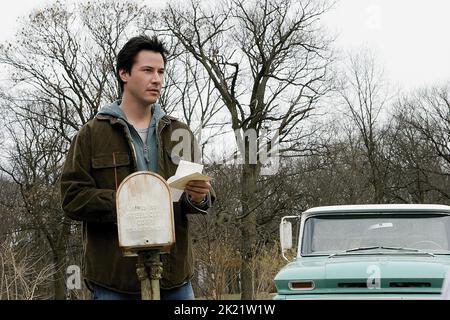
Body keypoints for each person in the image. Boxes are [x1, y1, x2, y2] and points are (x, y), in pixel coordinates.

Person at [60, 35, 214, 300]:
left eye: (161, 71)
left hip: (174, 278)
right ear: (124, 74)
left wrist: (197, 196)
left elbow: (193, 200)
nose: (157, 79)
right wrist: (127, 202)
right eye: (147, 70)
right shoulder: (91, 134)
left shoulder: (180, 132)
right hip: (114, 280)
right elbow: (72, 198)